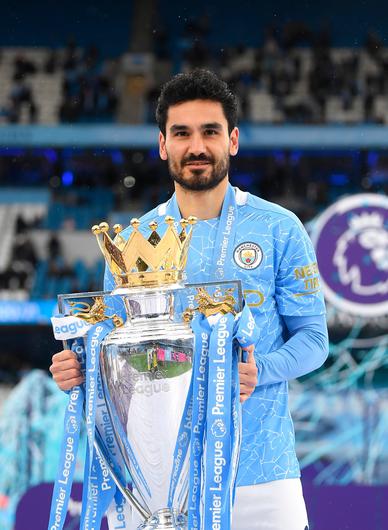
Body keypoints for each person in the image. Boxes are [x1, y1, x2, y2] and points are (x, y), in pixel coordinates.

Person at [50, 69, 329, 530]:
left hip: (261, 474)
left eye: (210, 132)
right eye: (181, 133)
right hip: (158, 482)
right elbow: (116, 352)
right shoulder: (132, 243)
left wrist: (259, 372)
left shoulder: (279, 228)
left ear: (233, 140)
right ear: (163, 145)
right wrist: (79, 369)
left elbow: (314, 339)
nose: (196, 146)